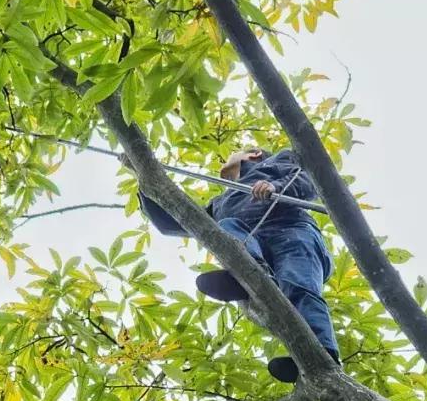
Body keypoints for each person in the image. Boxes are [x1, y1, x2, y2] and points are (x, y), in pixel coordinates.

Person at [138, 147, 339, 383]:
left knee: (297, 285)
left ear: (253, 153)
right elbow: (173, 222)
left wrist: (276, 187)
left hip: (290, 230)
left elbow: (310, 181)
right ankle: (249, 273)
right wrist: (145, 181)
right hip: (250, 242)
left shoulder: (276, 162)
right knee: (227, 227)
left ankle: (322, 354)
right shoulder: (220, 203)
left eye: (231, 153)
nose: (224, 161)